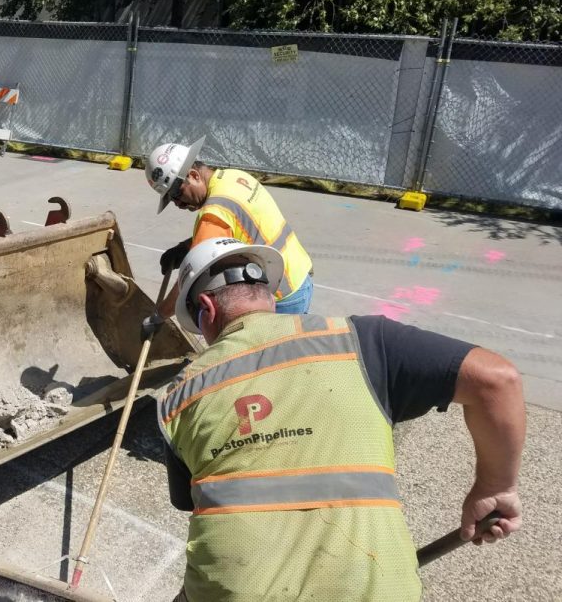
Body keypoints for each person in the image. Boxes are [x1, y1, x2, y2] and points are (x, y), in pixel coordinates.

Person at [156, 237, 525, 602]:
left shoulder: (178, 397)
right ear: (268, 293)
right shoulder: (362, 340)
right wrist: (494, 487)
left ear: (207, 308)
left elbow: (197, 503)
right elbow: (497, 380)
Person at [146, 136, 313, 316]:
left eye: (177, 194)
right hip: (300, 275)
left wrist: (159, 315)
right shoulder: (234, 176)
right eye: (171, 199)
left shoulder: (214, 213)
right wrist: (185, 248)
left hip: (281, 296)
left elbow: (191, 282)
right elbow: (235, 228)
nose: (179, 204)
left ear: (194, 175)